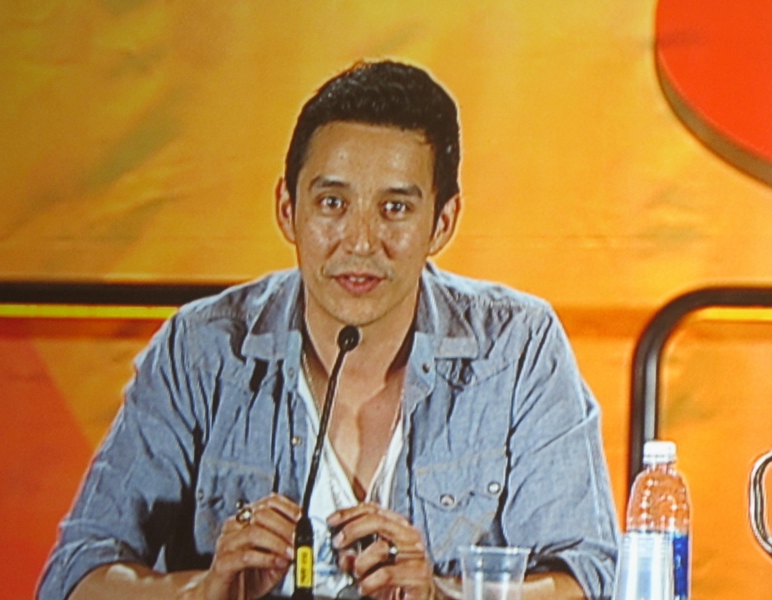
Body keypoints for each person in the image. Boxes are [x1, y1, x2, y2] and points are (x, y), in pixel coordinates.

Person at [38, 60, 618, 600]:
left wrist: (442, 594)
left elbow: (591, 579)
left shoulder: (517, 347)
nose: (360, 243)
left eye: (395, 208)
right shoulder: (202, 349)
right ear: (287, 209)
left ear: (442, 223)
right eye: (333, 203)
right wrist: (201, 590)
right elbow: (75, 576)